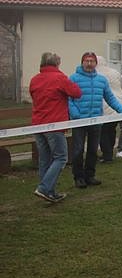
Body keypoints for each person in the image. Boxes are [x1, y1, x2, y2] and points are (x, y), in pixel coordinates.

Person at [29, 52, 81, 203]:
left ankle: (49, 192)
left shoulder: (34, 79)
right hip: (54, 124)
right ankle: (44, 188)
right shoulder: (60, 78)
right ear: (57, 64)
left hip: (38, 124)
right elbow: (76, 92)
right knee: (61, 157)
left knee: (45, 159)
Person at [70, 52, 122, 188]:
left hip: (96, 120)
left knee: (93, 149)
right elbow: (69, 99)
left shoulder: (101, 80)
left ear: (96, 63)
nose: (89, 64)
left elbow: (110, 98)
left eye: (92, 61)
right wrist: (75, 113)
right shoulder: (73, 78)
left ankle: (90, 175)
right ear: (82, 62)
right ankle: (78, 177)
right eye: (87, 61)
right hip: (79, 121)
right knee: (78, 150)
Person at [96, 56, 122, 162]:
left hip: (105, 105)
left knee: (103, 132)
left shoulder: (95, 74)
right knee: (112, 130)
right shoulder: (115, 72)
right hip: (119, 104)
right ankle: (109, 152)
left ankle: (107, 155)